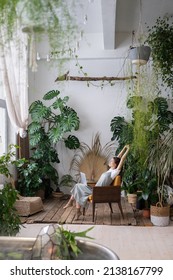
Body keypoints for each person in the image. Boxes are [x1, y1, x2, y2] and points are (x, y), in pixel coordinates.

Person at [63, 144, 130, 219]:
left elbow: (122, 159)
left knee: (77, 187)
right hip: (95, 189)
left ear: (115, 164)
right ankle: (75, 208)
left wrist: (127, 150)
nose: (110, 161)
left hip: (98, 192)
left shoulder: (114, 172)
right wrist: (124, 147)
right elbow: (118, 157)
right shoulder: (111, 170)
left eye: (112, 161)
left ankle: (73, 205)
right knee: (77, 187)